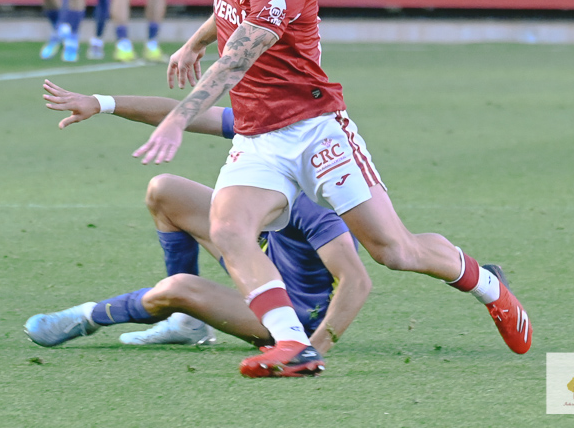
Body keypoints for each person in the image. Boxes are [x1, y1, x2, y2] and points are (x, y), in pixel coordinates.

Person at [133, 0, 532, 378]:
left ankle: (488, 284)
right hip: (259, 136)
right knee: (229, 228)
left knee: (395, 251)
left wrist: (178, 118)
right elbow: (229, 8)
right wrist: (194, 42)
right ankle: (293, 346)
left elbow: (236, 61)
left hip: (315, 131)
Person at [25, 81, 370, 362]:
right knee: (165, 190)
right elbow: (180, 114)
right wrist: (102, 103)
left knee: (179, 288)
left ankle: (88, 316)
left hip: (293, 316)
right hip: (262, 254)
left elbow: (356, 280)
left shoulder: (319, 194)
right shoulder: (267, 128)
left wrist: (313, 348)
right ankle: (187, 323)